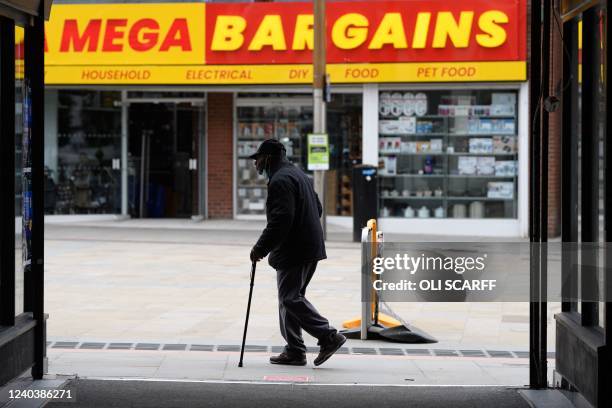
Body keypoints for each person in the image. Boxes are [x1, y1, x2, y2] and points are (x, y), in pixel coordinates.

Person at [249, 139, 346, 367]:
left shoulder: (280, 181)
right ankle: (294, 350)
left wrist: (260, 248)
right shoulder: (299, 175)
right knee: (290, 298)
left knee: (290, 298)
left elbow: (280, 221)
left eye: (258, 159)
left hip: (295, 249)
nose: (256, 164)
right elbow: (317, 208)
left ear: (269, 158)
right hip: (308, 247)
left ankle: (328, 336)